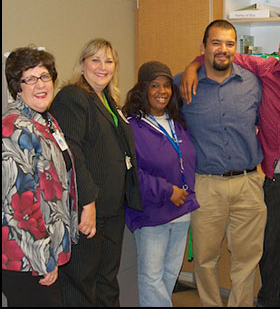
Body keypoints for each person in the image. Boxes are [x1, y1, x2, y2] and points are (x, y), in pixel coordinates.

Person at [181, 27, 280, 307]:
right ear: (279, 53)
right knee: (269, 250)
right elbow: (224, 54)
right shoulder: (265, 71)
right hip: (272, 179)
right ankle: (268, 302)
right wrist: (194, 64)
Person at [174, 19, 267, 307]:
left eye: (229, 44)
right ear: (203, 48)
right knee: (204, 259)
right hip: (205, 185)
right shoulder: (181, 84)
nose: (223, 50)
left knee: (247, 259)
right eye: (215, 43)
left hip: (248, 184)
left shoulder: (253, 82)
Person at [49, 38, 142, 306]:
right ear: (82, 64)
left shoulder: (109, 100)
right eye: (95, 60)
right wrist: (87, 203)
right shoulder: (73, 97)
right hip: (88, 210)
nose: (103, 67)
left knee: (106, 280)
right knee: (81, 282)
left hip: (111, 209)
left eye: (109, 61)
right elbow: (71, 153)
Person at [2, 47, 78, 307]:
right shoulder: (14, 127)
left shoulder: (45, 121)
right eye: (30, 79)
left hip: (45, 249)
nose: (40, 85)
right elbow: (19, 204)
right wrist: (43, 260)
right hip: (26, 257)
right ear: (16, 86)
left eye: (45, 76)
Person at [122, 60, 200, 307]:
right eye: (155, 85)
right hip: (152, 211)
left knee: (168, 275)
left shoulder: (176, 122)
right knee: (152, 277)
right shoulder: (132, 126)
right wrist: (167, 191)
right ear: (142, 89)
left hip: (181, 211)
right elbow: (132, 172)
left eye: (167, 86)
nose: (162, 91)